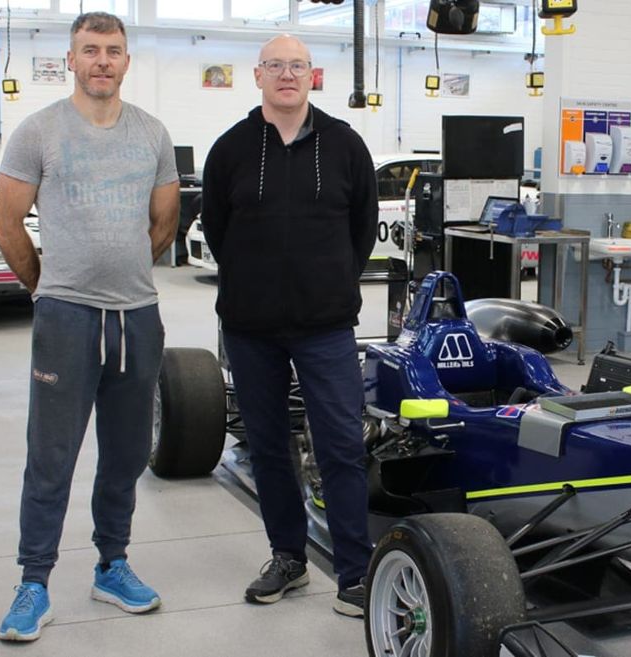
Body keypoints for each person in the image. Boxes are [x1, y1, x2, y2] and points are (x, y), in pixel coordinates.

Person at [0, 12, 180, 642]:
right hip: (65, 318)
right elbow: (8, 224)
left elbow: (163, 224)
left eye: (114, 51)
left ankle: (112, 564)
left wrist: (122, 273)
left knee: (125, 454)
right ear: (70, 59)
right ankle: (34, 581)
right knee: (50, 457)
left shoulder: (152, 134)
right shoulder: (38, 131)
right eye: (90, 50)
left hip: (137, 317)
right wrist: (47, 287)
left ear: (128, 62)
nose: (102, 60)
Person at [200, 34, 378, 617]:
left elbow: (363, 229)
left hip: (325, 327)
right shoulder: (230, 148)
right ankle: (289, 558)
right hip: (251, 330)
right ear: (257, 76)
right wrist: (256, 284)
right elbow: (219, 232)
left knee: (341, 445)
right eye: (275, 65)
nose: (286, 75)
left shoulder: (346, 145)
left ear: (312, 76)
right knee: (269, 445)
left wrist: (329, 284)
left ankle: (354, 573)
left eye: (296, 66)